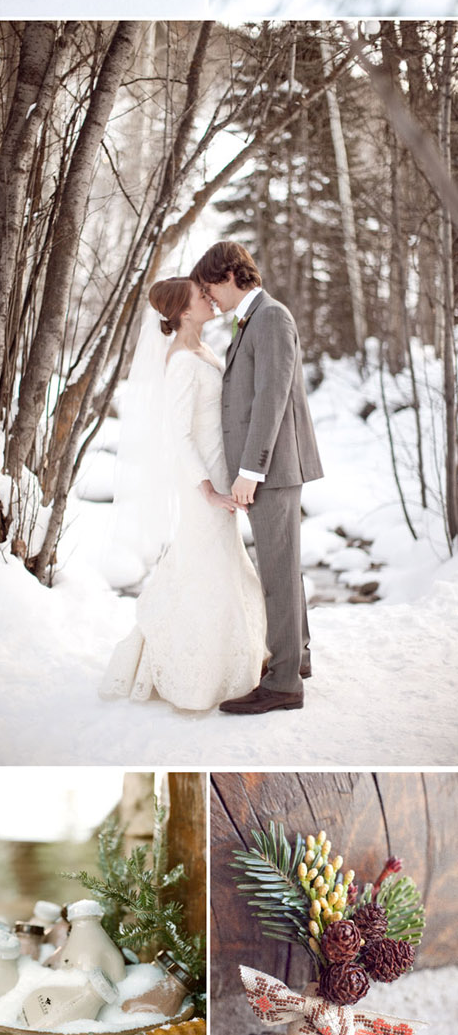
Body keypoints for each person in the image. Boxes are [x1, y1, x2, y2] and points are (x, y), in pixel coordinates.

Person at [99, 275, 267, 711]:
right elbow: (179, 435)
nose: (211, 299)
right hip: (202, 485)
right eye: (201, 296)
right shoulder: (180, 362)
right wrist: (207, 489)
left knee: (214, 566)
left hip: (220, 476)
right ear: (184, 311)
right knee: (207, 570)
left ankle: (234, 656)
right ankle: (195, 670)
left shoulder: (202, 349)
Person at [191, 239, 323, 714]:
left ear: (228, 275)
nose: (210, 298)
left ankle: (284, 683)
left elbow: (271, 397)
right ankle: (297, 657)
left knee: (277, 571)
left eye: (210, 287)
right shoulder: (252, 319)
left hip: (273, 469)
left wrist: (250, 471)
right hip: (271, 468)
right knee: (283, 565)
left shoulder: (270, 317)